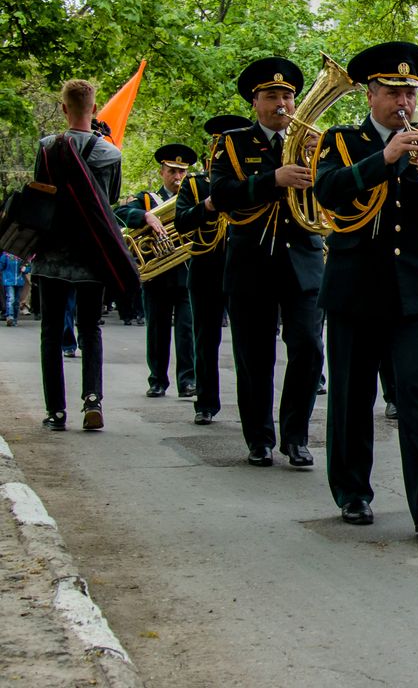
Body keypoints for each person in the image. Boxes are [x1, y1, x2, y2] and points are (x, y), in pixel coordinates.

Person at [313, 40, 418, 533]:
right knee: (353, 398)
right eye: (394, 92)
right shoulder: (340, 140)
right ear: (372, 94)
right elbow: (328, 191)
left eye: (411, 94)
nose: (404, 103)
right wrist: (386, 157)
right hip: (356, 286)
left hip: (415, 289)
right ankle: (353, 492)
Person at [210, 58, 324, 468]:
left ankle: (295, 437)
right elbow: (221, 195)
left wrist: (321, 164)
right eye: (272, 96)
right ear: (255, 102)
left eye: (288, 96)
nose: (282, 104)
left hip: (304, 261)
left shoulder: (316, 141)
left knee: (309, 351)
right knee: (254, 356)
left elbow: (334, 196)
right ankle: (259, 438)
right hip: (251, 262)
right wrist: (273, 179)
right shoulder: (232, 143)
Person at [32, 79, 127, 431]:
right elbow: (112, 199)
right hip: (94, 252)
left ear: (63, 108)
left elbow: (42, 192)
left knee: (51, 332)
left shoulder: (47, 147)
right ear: (95, 108)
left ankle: (55, 411)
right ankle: (92, 400)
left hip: (54, 252)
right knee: (91, 329)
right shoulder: (111, 153)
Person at [175, 115, 249, 424]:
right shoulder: (194, 183)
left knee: (247, 343)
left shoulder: (248, 179)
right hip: (206, 267)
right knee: (205, 339)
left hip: (243, 266)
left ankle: (252, 411)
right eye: (217, 144)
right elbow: (181, 222)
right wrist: (206, 206)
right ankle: (205, 403)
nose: (220, 149)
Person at [118, 144, 197, 398]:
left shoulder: (192, 198)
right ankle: (157, 380)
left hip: (186, 273)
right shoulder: (148, 199)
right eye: (172, 171)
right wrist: (145, 216)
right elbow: (120, 213)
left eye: (181, 172)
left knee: (187, 330)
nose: (177, 178)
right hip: (157, 276)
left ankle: (188, 380)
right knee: (157, 329)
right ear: (162, 171)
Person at [1, 251, 23, 326]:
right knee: (11, 298)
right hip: (8, 281)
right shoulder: (5, 255)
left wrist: (26, 268)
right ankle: (9, 317)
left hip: (19, 281)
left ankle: (15, 318)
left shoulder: (23, 255)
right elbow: (1, 266)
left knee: (16, 302)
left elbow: (28, 266)